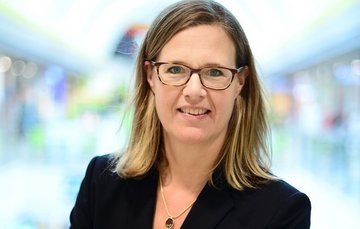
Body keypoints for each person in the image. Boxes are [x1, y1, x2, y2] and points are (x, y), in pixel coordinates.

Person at [69, 0, 311, 228]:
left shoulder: (281, 210)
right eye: (175, 69)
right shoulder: (102, 182)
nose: (194, 91)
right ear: (150, 76)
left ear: (240, 82)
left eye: (214, 72)